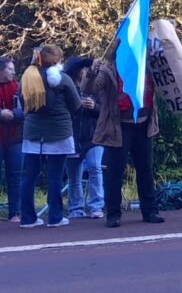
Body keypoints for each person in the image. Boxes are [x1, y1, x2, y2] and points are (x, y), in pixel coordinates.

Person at [83, 43, 163, 227]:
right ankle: (113, 214)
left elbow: (168, 76)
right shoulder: (108, 70)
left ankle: (150, 211)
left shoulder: (146, 65)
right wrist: (91, 73)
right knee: (114, 172)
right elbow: (89, 89)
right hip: (118, 128)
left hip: (144, 125)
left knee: (145, 170)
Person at [19, 45, 81, 228]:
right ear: (56, 60)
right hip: (59, 133)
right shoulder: (63, 79)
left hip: (32, 134)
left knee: (29, 176)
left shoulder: (28, 78)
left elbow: (22, 103)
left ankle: (27, 218)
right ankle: (55, 217)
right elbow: (76, 105)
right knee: (55, 176)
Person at [63, 56, 104, 218]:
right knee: (74, 175)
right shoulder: (65, 87)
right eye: (82, 69)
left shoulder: (97, 87)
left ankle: (96, 206)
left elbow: (107, 109)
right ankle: (76, 208)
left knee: (95, 168)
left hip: (94, 135)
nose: (84, 72)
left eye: (86, 69)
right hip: (71, 136)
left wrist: (95, 107)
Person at [0, 56, 24, 223]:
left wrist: (14, 114)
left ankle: (15, 212)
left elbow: (28, 109)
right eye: (10, 68)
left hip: (14, 138)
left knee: (15, 176)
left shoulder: (18, 88)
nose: (13, 71)